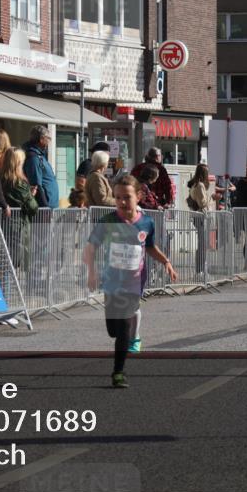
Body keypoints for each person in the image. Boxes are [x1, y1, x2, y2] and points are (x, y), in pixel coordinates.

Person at [83, 175, 177, 388]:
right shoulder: (107, 221)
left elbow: (150, 247)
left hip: (134, 283)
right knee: (113, 330)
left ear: (139, 196)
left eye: (127, 197)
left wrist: (166, 262)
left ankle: (118, 372)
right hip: (111, 282)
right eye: (117, 198)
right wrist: (91, 272)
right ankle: (122, 341)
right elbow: (90, 248)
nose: (122, 202)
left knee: (124, 328)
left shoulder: (146, 222)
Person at [0, 147, 38, 270]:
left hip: (1, 223)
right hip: (17, 226)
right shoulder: (19, 182)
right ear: (18, 163)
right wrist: (31, 195)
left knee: (3, 260)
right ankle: (10, 288)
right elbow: (33, 207)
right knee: (13, 261)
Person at [23, 125, 59, 209]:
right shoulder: (34, 158)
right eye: (48, 138)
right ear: (41, 139)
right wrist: (45, 207)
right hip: (44, 209)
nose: (49, 141)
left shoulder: (39, 155)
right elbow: (36, 185)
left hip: (50, 206)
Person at [187, 164, 212, 275]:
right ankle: (200, 269)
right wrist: (212, 197)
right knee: (203, 244)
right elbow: (202, 203)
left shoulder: (194, 184)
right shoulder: (200, 185)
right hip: (202, 216)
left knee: (202, 244)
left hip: (198, 217)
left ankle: (201, 269)